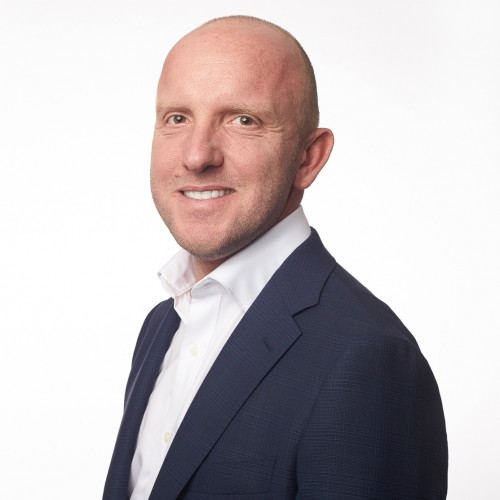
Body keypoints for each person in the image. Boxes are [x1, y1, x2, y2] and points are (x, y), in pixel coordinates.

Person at [103, 15, 448, 499]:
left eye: (243, 120)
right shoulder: (162, 325)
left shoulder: (369, 358)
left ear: (309, 157)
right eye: (177, 118)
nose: (197, 155)